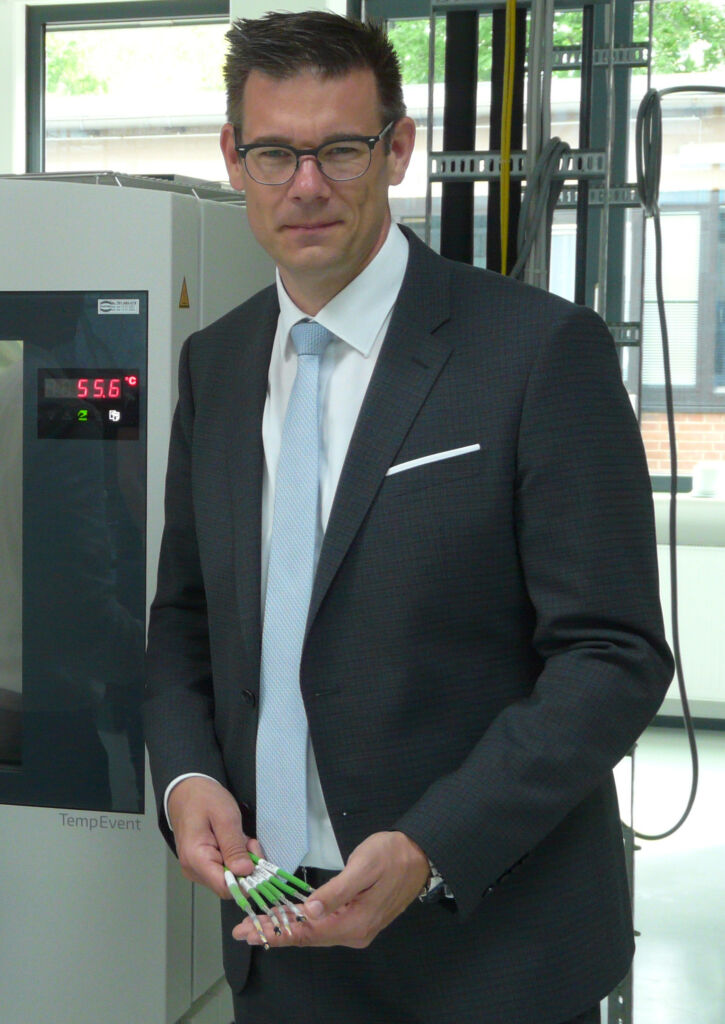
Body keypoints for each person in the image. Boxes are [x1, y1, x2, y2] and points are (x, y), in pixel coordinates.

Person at [144, 11, 673, 1024]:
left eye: (340, 149)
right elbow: (183, 621)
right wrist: (186, 778)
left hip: (488, 949)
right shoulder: (217, 363)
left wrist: (433, 845)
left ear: (397, 149)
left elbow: (610, 654)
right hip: (276, 933)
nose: (305, 185)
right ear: (233, 158)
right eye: (273, 153)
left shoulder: (533, 351)